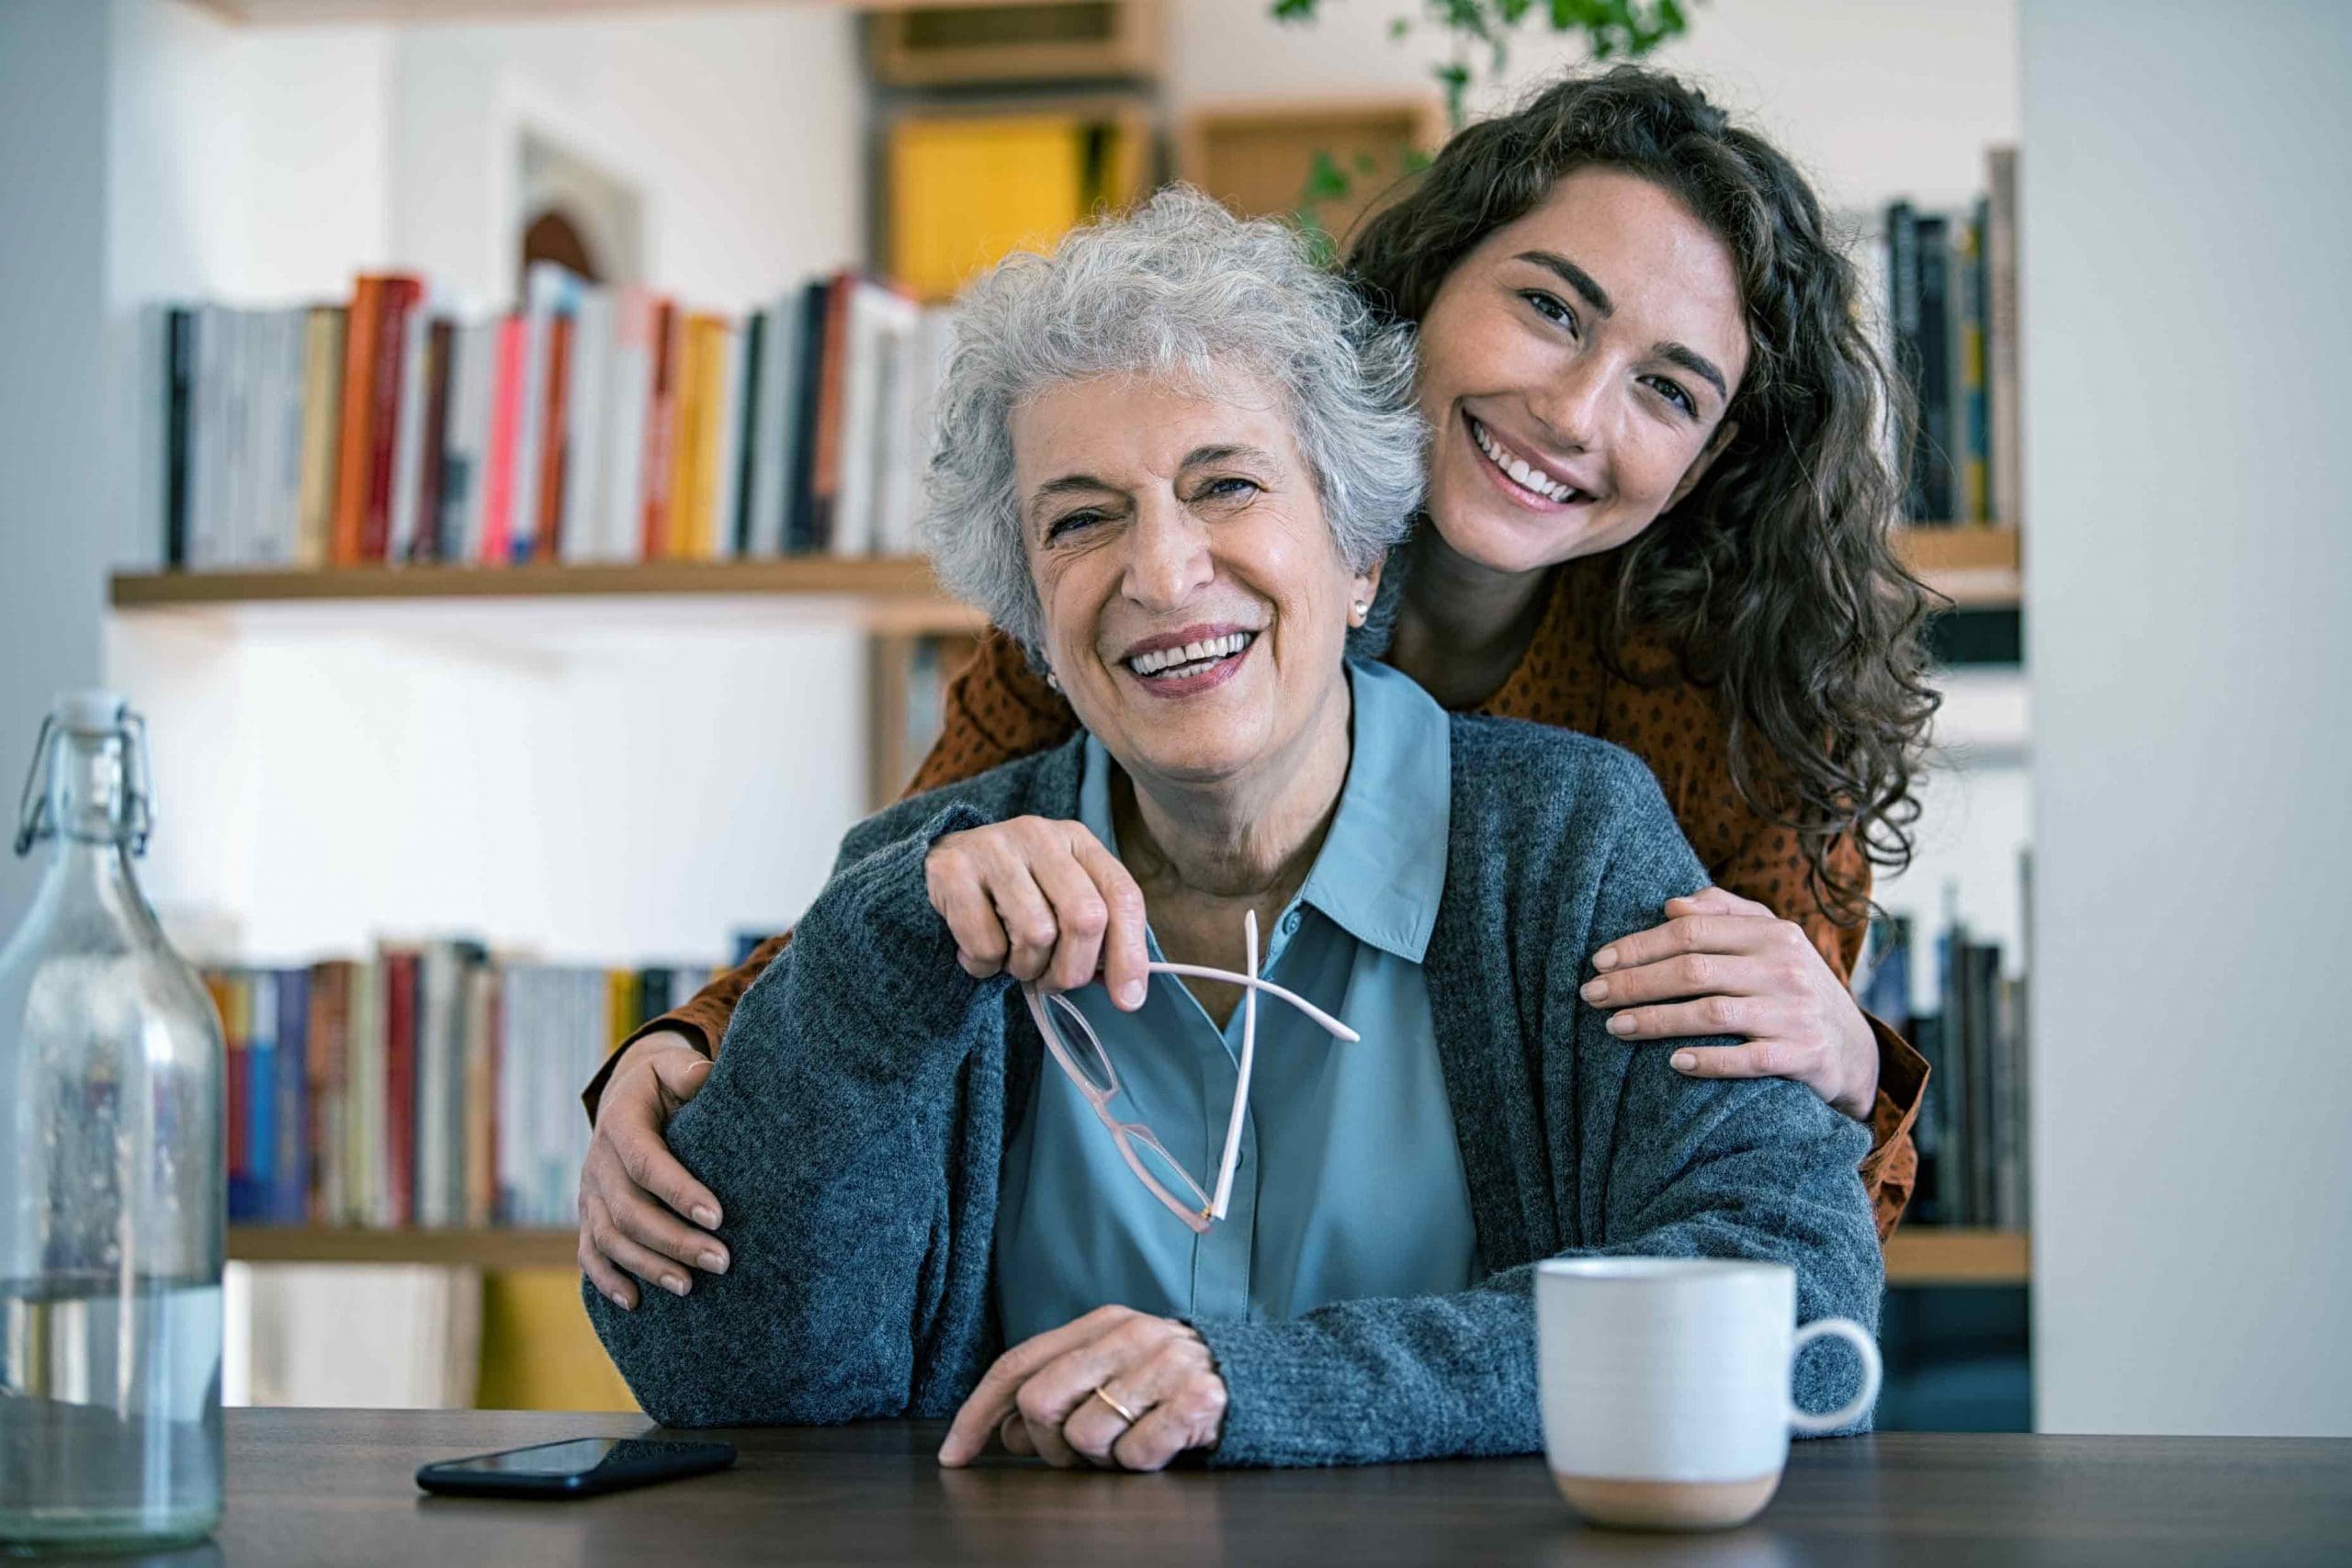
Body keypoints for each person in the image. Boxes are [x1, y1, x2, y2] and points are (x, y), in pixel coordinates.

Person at [576, 64, 1938, 1312]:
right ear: (1424, 288)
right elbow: (929, 885)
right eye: (1548, 308)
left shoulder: (1750, 701)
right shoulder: (1149, 594)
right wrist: (696, 1043)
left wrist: (1857, 1063)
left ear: (1705, 462)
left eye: (1668, 390)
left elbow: (1769, 1234)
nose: (1579, 412)